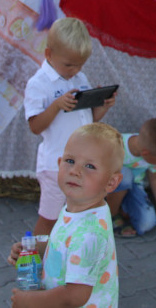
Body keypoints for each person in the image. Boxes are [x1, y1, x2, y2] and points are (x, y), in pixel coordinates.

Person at [8, 123, 123, 308]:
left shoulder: (90, 233)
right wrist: (39, 248)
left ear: (111, 182)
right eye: (70, 161)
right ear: (59, 163)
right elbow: (67, 242)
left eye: (90, 166)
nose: (75, 171)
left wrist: (29, 301)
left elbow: (74, 296)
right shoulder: (78, 207)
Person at [23, 17, 115, 240]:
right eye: (69, 64)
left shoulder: (80, 78)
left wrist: (103, 105)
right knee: (49, 219)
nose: (75, 70)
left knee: (78, 218)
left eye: (80, 65)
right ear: (48, 55)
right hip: (55, 166)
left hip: (81, 165)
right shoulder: (39, 83)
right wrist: (56, 106)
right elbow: (35, 126)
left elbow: (88, 121)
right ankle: (36, 264)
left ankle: (70, 261)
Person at [106, 117, 156, 237]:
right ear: (145, 153)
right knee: (125, 175)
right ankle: (111, 216)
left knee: (146, 224)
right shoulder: (116, 147)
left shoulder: (151, 151)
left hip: (134, 188)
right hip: (110, 188)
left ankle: (123, 209)